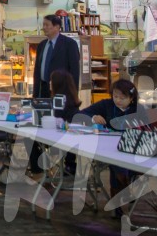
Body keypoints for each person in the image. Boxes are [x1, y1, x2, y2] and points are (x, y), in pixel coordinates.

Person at [79, 79, 141, 215]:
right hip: (110, 148)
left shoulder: (138, 109)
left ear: (131, 98)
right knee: (116, 163)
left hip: (133, 147)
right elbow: (82, 113)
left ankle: (122, 194)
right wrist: (94, 117)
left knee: (124, 164)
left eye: (122, 98)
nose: (117, 100)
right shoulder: (106, 105)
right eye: (115, 96)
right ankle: (120, 196)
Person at [29, 15, 80, 172]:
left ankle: (70, 164)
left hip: (63, 90)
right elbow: (38, 70)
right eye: (43, 25)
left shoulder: (69, 44)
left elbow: (75, 70)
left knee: (66, 125)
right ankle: (41, 162)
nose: (44, 27)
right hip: (44, 89)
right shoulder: (42, 45)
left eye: (47, 25)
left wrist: (73, 93)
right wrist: (35, 93)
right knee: (42, 123)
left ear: (57, 27)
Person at [46, 70, 82, 176]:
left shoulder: (59, 104)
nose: (49, 83)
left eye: (51, 81)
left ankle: (39, 170)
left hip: (60, 139)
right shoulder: (72, 102)